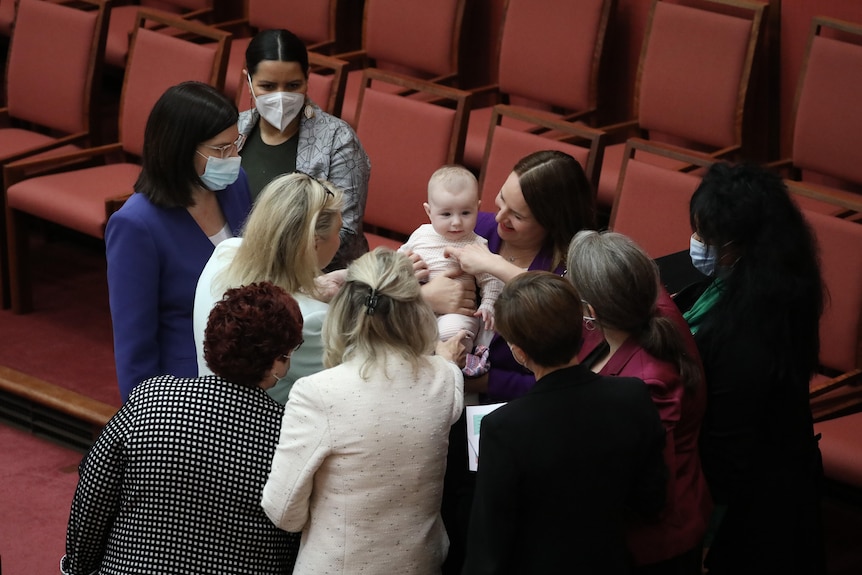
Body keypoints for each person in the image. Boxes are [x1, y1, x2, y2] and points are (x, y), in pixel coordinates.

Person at [62, 282, 304, 575]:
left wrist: (77, 567)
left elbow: (94, 493)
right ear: (279, 360)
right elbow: (292, 535)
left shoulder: (151, 397)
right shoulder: (288, 434)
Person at [261, 248, 466, 574]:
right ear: (416, 310)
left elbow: (283, 511)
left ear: (345, 307)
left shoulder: (316, 394)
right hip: (422, 563)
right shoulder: (445, 378)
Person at [462, 272, 667, 574]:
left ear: (518, 352)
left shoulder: (504, 428)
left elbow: (488, 545)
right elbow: (651, 499)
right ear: (584, 327)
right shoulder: (633, 395)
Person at [678, 162, 826, 574]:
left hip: (756, 500)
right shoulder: (772, 276)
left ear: (741, 245)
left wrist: (704, 534)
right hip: (759, 461)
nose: (697, 243)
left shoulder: (752, 332)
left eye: (708, 237)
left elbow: (727, 453)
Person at [567, 230, 711, 574]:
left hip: (651, 545)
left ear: (590, 309)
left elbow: (644, 488)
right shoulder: (635, 304)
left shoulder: (647, 384)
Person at [106, 81, 252, 402]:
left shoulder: (236, 183)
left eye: (235, 143)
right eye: (220, 149)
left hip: (251, 368)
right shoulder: (135, 225)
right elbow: (135, 344)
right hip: (185, 387)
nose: (233, 156)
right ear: (181, 148)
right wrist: (147, 420)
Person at [442, 150, 597, 402]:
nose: (500, 217)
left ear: (551, 222)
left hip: (503, 409)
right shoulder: (474, 227)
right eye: (502, 200)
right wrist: (427, 295)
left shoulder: (573, 274)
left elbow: (564, 380)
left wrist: (483, 381)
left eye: (517, 216)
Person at [194, 172, 344, 404]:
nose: (340, 241)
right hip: (264, 431)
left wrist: (312, 288)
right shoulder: (311, 320)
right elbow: (355, 381)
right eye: (338, 231)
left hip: (208, 409)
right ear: (314, 243)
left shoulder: (224, 252)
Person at [238, 28, 371, 270]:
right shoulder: (234, 132)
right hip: (236, 265)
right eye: (267, 86)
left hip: (314, 277)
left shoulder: (338, 140)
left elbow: (345, 233)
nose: (281, 97)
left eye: (292, 85)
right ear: (248, 81)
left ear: (308, 78)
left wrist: (268, 263)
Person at [399, 165, 503, 373]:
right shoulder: (421, 235)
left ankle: (458, 366)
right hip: (420, 308)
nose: (456, 222)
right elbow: (395, 260)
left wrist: (488, 304)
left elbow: (492, 279)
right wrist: (402, 268)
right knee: (398, 323)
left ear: (477, 207)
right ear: (429, 211)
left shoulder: (476, 244)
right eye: (446, 214)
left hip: (458, 314)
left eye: (466, 212)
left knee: (454, 331)